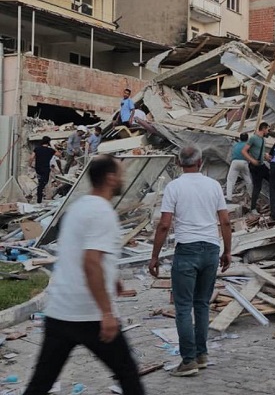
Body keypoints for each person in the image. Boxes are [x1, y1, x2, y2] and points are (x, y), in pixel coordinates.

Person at [23, 155, 145, 395]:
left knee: (40, 383)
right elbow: (91, 263)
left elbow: (80, 254)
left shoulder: (78, 207)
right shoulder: (103, 212)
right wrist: (107, 313)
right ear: (110, 179)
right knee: (128, 374)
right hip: (90, 315)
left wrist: (113, 278)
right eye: (120, 173)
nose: (123, 178)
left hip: (59, 312)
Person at [149, 146, 232, 377]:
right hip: (211, 249)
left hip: (187, 250)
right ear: (201, 162)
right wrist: (227, 251)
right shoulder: (213, 185)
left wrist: (154, 256)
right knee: (202, 304)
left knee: (184, 307)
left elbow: (164, 224)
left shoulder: (174, 187)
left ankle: (188, 361)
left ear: (178, 162)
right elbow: (225, 221)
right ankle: (201, 354)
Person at [241, 122, 270, 214]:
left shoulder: (263, 140)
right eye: (268, 129)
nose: (268, 131)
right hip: (255, 166)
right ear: (264, 128)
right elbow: (244, 151)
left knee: (274, 179)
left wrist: (267, 157)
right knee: (257, 187)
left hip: (261, 165)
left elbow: (261, 152)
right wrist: (252, 160)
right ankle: (253, 208)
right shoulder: (253, 138)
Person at [29, 137, 57, 204]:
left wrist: (30, 165)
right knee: (42, 184)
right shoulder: (50, 150)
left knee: (40, 182)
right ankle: (39, 200)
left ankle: (40, 198)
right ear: (48, 142)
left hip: (38, 168)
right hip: (46, 169)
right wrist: (52, 147)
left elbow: (31, 158)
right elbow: (59, 155)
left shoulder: (37, 149)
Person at [225, 133, 253, 201]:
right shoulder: (248, 145)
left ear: (240, 138)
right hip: (244, 162)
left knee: (230, 180)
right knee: (248, 179)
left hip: (235, 162)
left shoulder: (235, 145)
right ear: (247, 138)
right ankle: (251, 195)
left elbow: (230, 155)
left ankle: (229, 197)